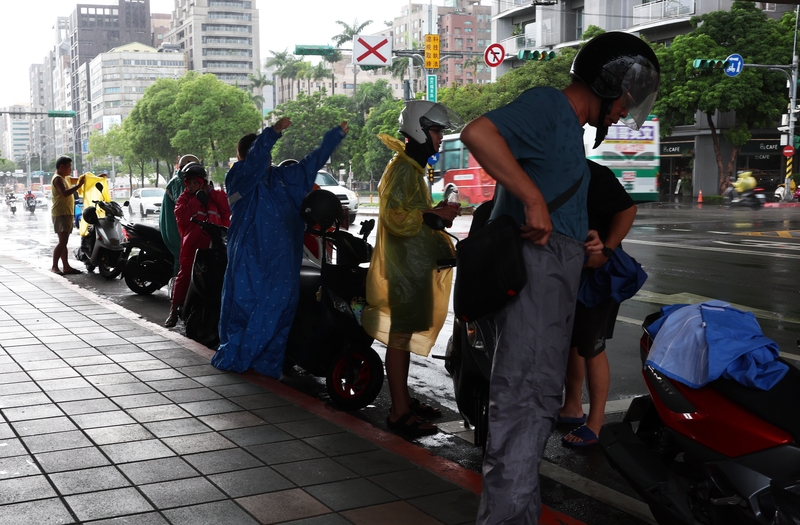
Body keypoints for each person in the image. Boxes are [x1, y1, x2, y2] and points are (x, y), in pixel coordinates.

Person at [459, 32, 660, 524]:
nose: (621, 114)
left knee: (535, 405)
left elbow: (559, 215)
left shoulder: (569, 132)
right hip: (537, 281)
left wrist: (592, 249)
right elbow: (478, 132)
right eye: (625, 102)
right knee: (524, 404)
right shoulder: (552, 106)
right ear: (606, 83)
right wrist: (530, 198)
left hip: (556, 279)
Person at [212, 119, 349, 376]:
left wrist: (334, 137)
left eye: (268, 154)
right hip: (249, 261)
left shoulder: (284, 179)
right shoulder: (239, 177)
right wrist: (271, 134)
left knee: (279, 313)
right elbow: (254, 161)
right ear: (244, 156)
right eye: (260, 152)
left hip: (283, 263)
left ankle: (266, 367)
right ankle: (238, 357)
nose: (265, 158)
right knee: (246, 310)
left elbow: (311, 164)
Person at [360, 100, 461, 437]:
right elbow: (394, 217)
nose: (440, 138)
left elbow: (411, 212)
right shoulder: (402, 169)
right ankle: (399, 410)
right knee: (400, 340)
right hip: (404, 270)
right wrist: (434, 215)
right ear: (419, 130)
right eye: (436, 131)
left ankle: (405, 399)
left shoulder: (412, 168)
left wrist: (436, 212)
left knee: (403, 339)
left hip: (413, 268)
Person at [558, 160, 637, 447]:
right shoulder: (550, 168)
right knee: (573, 342)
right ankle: (572, 407)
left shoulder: (592, 173)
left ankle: (596, 422)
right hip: (568, 272)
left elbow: (628, 209)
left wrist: (606, 249)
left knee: (592, 346)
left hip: (597, 274)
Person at [165, 164, 231, 327]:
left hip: (214, 245)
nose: (191, 186)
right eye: (189, 183)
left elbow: (226, 211)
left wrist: (211, 194)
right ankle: (173, 310)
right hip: (192, 247)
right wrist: (197, 199)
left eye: (195, 183)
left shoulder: (212, 196)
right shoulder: (183, 199)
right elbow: (182, 218)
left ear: (202, 182)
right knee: (185, 274)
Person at [161, 154, 200, 278]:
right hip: (175, 230)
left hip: (176, 228)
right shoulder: (180, 182)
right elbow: (184, 209)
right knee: (182, 263)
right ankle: (176, 294)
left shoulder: (179, 180)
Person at [50, 156, 85, 275]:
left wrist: (96, 178)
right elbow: (64, 193)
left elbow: (82, 179)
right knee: (62, 242)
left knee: (64, 241)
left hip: (67, 213)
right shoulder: (58, 179)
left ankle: (66, 266)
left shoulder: (66, 178)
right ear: (61, 167)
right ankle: (54, 266)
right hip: (60, 213)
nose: (70, 169)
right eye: (69, 167)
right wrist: (79, 186)